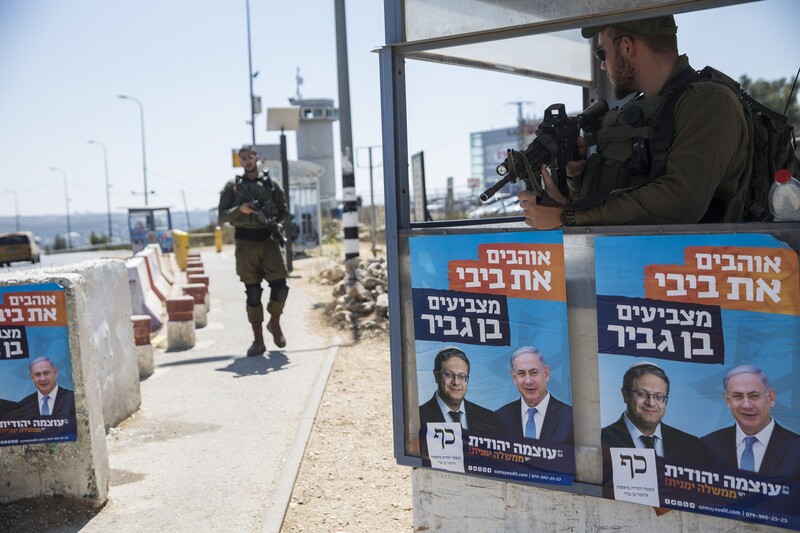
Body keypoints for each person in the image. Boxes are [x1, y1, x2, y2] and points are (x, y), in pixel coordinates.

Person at [518, 15, 748, 229]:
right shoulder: (643, 110)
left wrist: (568, 216)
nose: (602, 65)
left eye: (602, 54)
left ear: (627, 47)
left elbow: (682, 200)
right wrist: (579, 176)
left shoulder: (710, 101)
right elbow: (626, 195)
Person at [218, 146, 290, 356]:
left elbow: (285, 212)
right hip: (245, 243)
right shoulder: (233, 187)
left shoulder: (271, 185)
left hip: (268, 241)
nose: (248, 161)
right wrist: (240, 209)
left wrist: (276, 227)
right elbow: (222, 216)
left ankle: (274, 322)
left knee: (280, 286)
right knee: (253, 292)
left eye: (251, 157)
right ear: (239, 161)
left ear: (257, 158)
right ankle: (258, 340)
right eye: (243, 158)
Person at [702, 365, 800, 479]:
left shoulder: (796, 449)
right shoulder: (708, 446)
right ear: (728, 400)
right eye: (737, 396)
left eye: (754, 396)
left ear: (771, 398)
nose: (746, 405)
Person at [602, 361, 706, 462]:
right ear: (625, 395)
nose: (651, 403)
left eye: (659, 396)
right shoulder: (599, 442)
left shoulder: (693, 446)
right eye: (641, 394)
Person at [494, 346, 573, 444]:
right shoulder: (500, 417)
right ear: (514, 377)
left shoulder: (570, 418)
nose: (528, 381)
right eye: (521, 373)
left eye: (534, 373)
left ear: (546, 374)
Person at [418, 346, 499, 434]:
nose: (456, 382)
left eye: (462, 376)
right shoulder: (418, 418)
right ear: (436, 376)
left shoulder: (489, 419)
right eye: (448, 374)